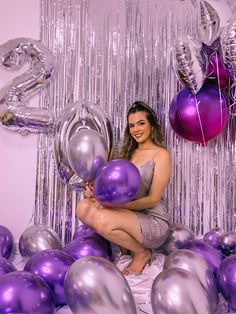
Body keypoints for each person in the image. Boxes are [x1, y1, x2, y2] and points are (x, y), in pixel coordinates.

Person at [76, 100, 171, 275]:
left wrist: (116, 207)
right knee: (83, 208)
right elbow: (110, 186)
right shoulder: (127, 153)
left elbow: (152, 199)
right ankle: (127, 246)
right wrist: (93, 190)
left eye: (141, 123)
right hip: (129, 214)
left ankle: (142, 253)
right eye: (132, 125)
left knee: (103, 218)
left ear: (152, 125)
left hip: (152, 220)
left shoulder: (161, 154)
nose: (136, 129)